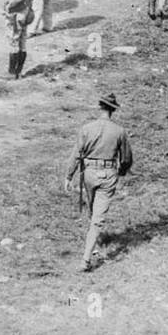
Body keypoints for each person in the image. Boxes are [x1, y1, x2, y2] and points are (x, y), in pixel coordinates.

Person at [63, 93, 134, 272]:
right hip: (108, 174)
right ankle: (86, 258)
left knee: (93, 209)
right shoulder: (119, 131)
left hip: (89, 173)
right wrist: (121, 171)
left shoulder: (87, 128)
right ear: (113, 110)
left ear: (100, 107)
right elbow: (126, 158)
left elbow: (76, 154)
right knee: (97, 217)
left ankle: (89, 251)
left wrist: (68, 176)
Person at [4, 0, 36, 79]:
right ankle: (19, 71)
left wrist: (8, 5)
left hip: (17, 12)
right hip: (26, 11)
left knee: (13, 42)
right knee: (22, 42)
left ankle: (12, 74)